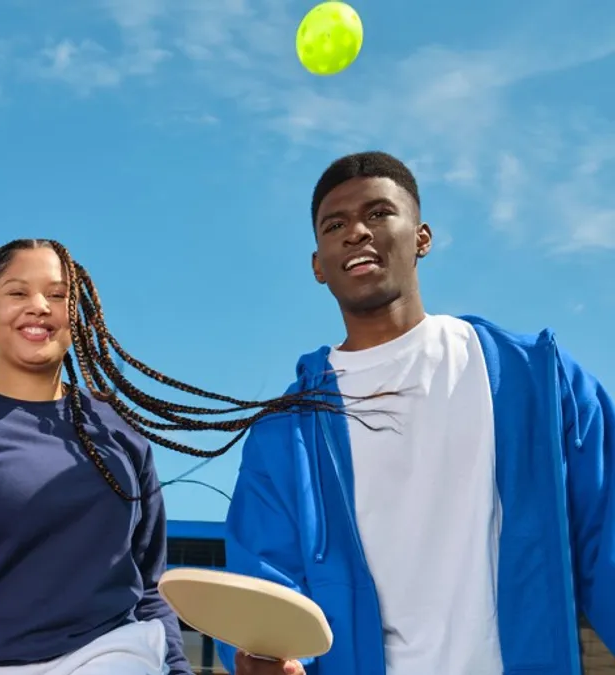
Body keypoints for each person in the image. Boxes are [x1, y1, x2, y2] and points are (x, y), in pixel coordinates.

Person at [0, 239, 348, 675]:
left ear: (79, 315)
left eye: (57, 295)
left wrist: (175, 669)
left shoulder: (122, 433)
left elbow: (148, 588)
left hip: (113, 654)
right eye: (17, 292)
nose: (38, 306)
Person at [217, 151, 615, 675]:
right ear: (318, 264)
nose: (356, 231)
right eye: (334, 224)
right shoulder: (285, 431)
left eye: (378, 214)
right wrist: (262, 656)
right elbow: (265, 588)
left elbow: (605, 542)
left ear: (421, 237)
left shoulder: (536, 379)